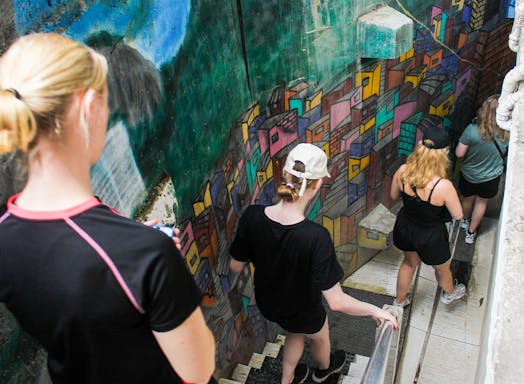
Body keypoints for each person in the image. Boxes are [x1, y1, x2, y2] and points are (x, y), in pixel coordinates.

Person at [0, 33, 215, 384]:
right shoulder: (147, 255)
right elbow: (199, 368)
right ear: (88, 107)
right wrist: (165, 276)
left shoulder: (6, 235)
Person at [229, 143, 398, 384]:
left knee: (294, 331)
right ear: (318, 184)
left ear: (285, 175)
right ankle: (324, 371)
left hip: (268, 302)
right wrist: (376, 310)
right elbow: (336, 302)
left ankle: (287, 379)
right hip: (303, 309)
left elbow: (236, 266)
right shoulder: (315, 237)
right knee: (319, 333)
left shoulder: (252, 216)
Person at [390, 126, 466, 307]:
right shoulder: (443, 186)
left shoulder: (402, 171)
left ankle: (399, 301)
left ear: (419, 146)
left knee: (408, 263)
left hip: (405, 226)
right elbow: (457, 214)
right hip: (431, 235)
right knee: (441, 268)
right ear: (445, 152)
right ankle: (449, 293)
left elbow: (393, 197)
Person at [455, 95, 509, 244]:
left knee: (468, 199)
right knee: (481, 203)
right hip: (491, 177)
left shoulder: (471, 130)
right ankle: (470, 233)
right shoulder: (506, 133)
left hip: (470, 174)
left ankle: (465, 221)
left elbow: (459, 153)